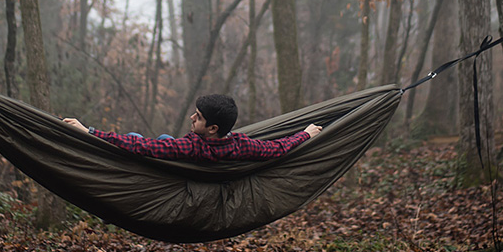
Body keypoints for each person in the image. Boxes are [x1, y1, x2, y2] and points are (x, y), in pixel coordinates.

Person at [63, 94, 322, 162]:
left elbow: (140, 145)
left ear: (212, 128)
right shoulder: (241, 144)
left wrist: (90, 133)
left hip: (177, 171)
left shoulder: (190, 146)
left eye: (197, 117)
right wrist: (305, 134)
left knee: (135, 137)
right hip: (197, 167)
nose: (191, 117)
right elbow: (277, 148)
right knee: (163, 138)